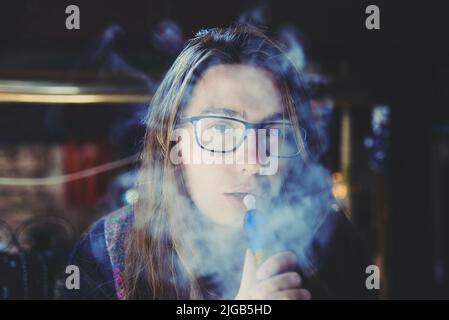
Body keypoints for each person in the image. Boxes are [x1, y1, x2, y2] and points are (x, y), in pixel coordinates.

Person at [65, 25, 373, 300]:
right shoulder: (106, 254)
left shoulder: (334, 242)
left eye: (275, 132)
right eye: (222, 130)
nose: (254, 163)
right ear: (175, 143)